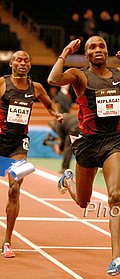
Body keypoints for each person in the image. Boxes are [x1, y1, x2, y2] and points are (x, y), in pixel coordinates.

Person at [47, 36, 120, 275]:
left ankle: (116, 259)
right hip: (88, 144)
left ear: (107, 50)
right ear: (87, 54)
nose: (98, 49)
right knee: (83, 201)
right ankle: (67, 179)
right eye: (92, 47)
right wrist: (66, 52)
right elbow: (53, 78)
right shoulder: (79, 75)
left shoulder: (119, 73)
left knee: (114, 196)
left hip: (113, 142)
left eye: (101, 46)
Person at [0, 50, 63, 258]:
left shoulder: (35, 88)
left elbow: (48, 103)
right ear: (11, 64)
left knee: (15, 189)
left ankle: (7, 241)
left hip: (18, 145)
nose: (23, 63)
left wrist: (56, 113)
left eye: (27, 60)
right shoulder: (2, 84)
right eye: (19, 59)